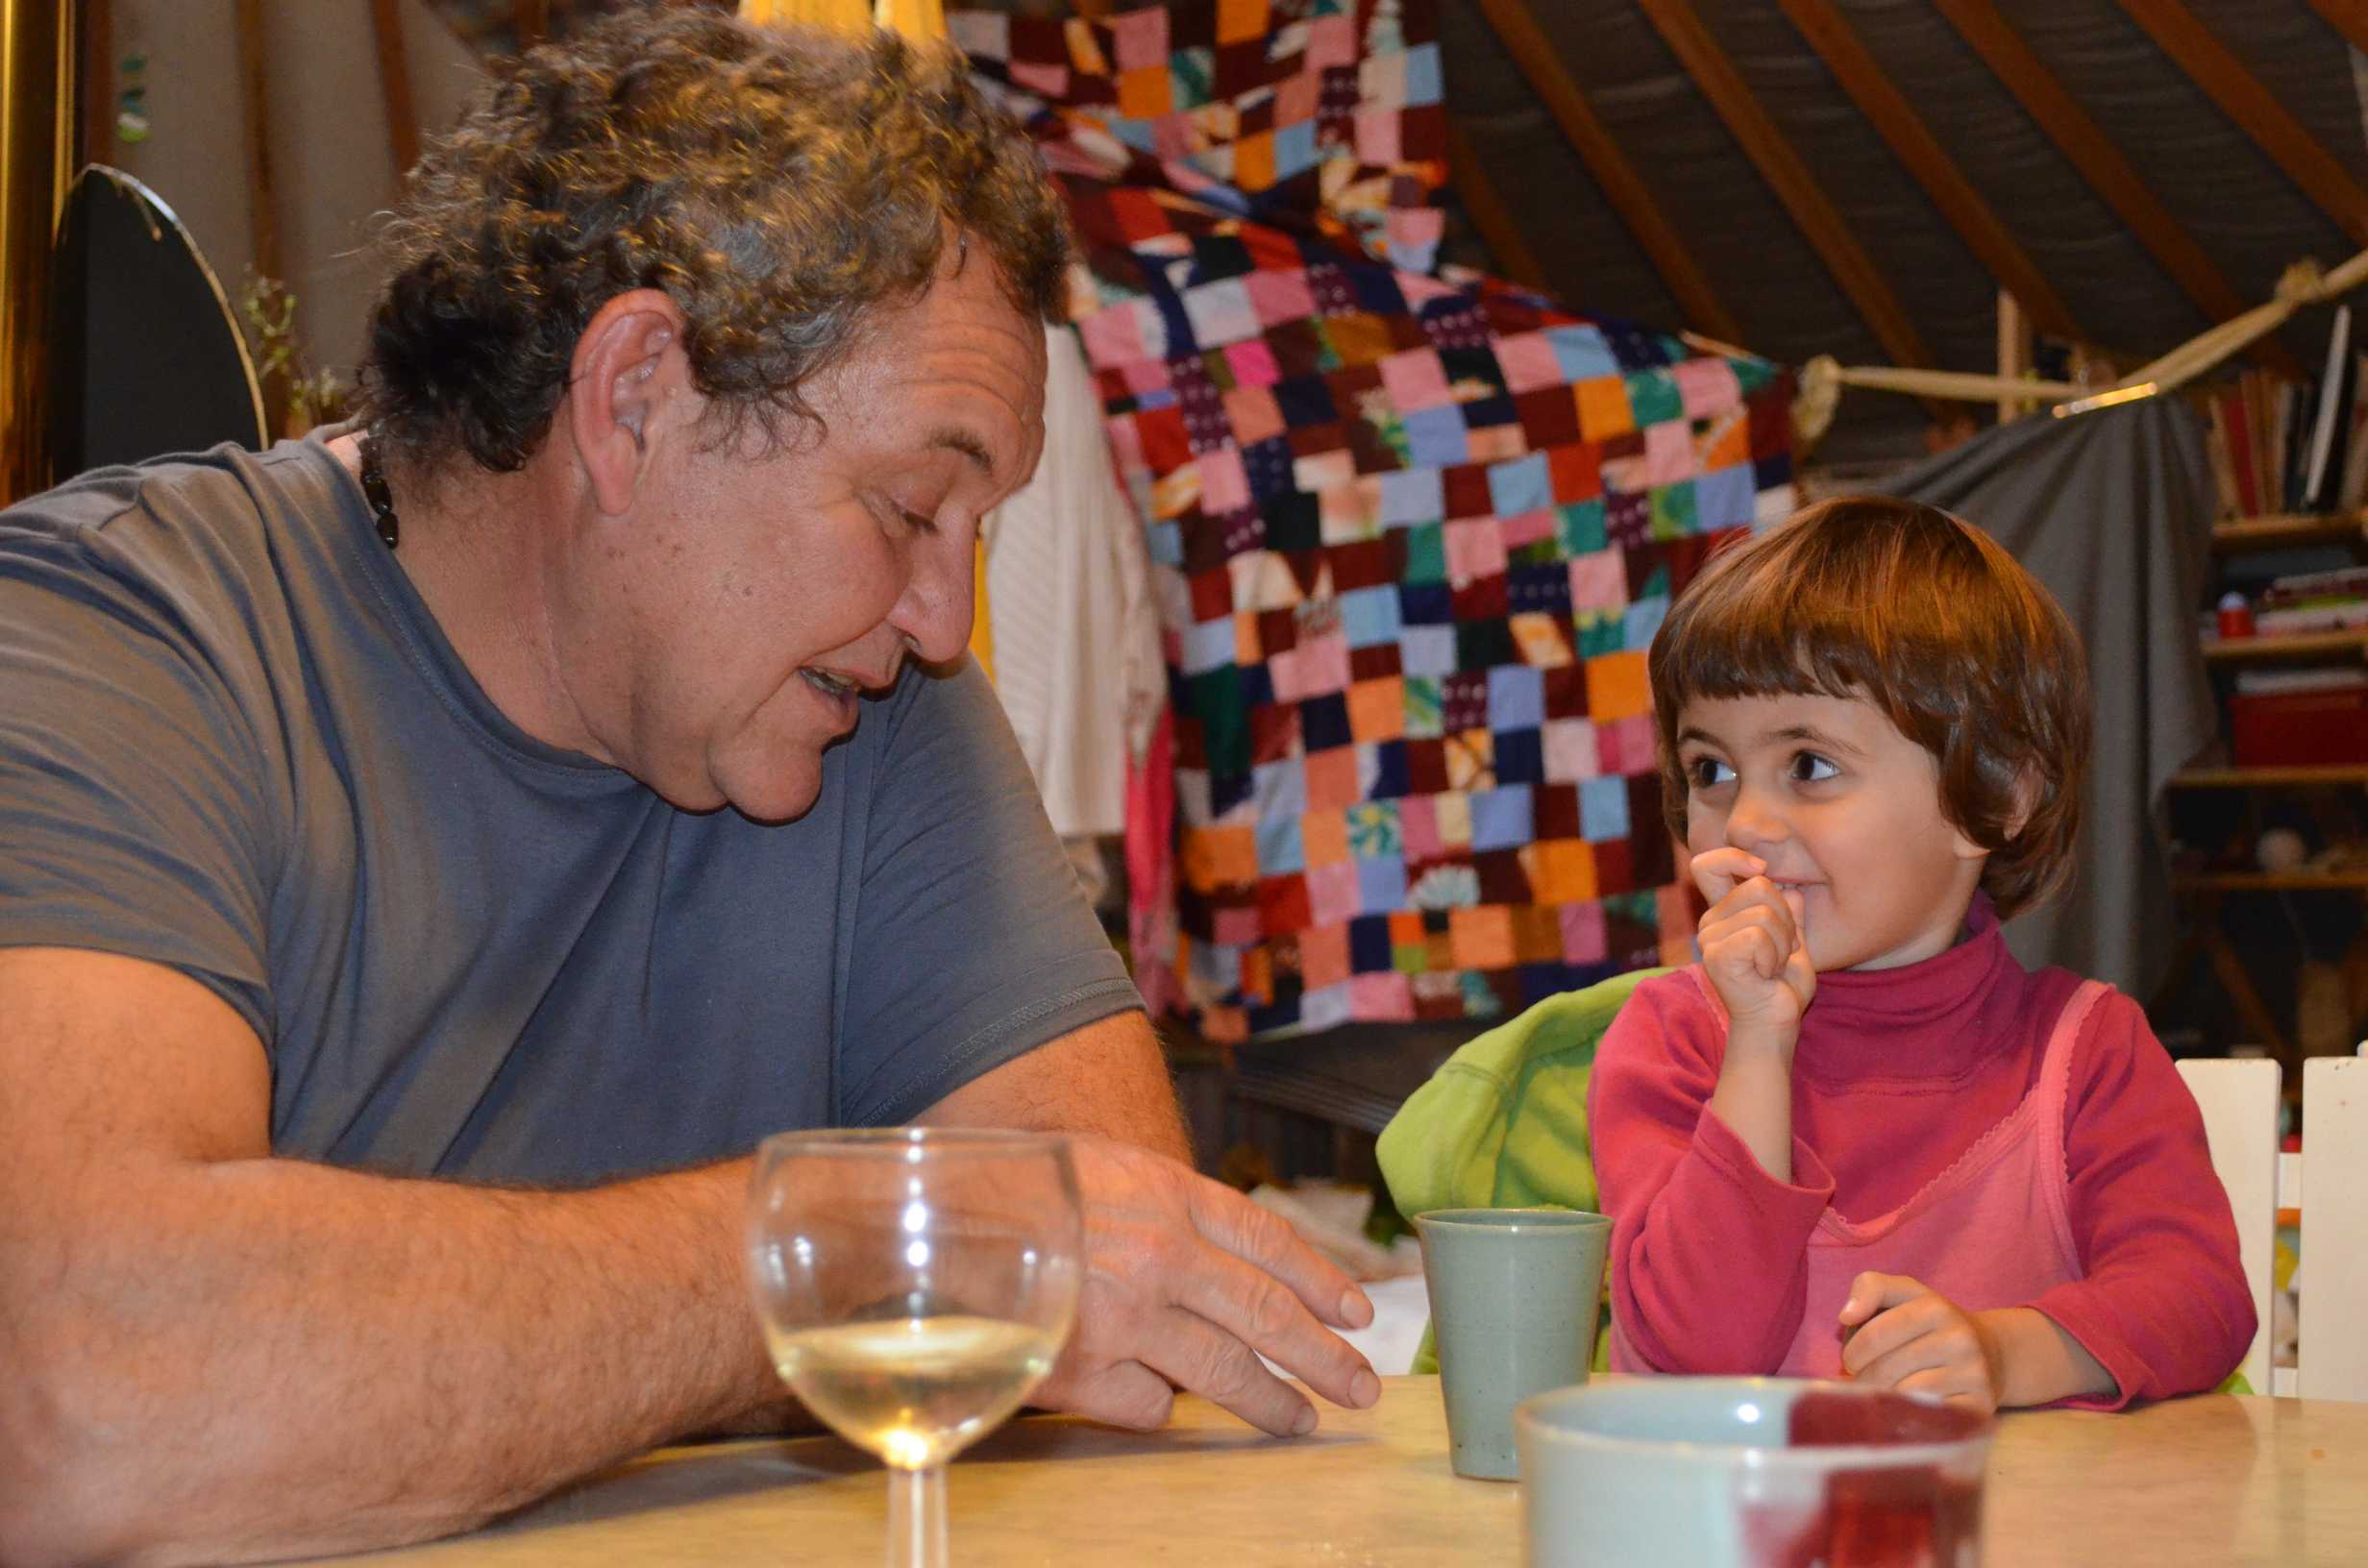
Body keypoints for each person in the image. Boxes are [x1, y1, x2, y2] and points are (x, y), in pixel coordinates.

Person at [0, 14, 1380, 1564]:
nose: (944, 621)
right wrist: (841, 1257)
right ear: (636, 395)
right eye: (909, 505)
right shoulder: (111, 648)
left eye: (975, 534)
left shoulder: (873, 707)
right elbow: (81, 1395)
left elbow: (1107, 1300)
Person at [1588, 497, 2254, 1411]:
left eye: (1809, 765)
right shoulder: (1671, 1042)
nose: (1743, 822)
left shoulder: (2086, 1054)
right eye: (1712, 769)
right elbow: (1694, 1352)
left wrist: (2007, 1353)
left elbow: (2202, 1298)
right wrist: (1757, 1048)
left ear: (1996, 795)